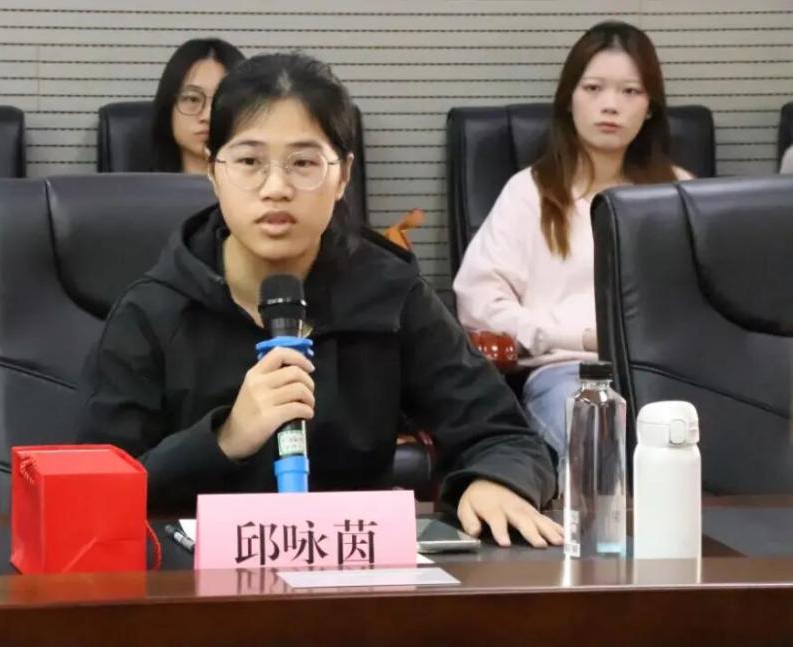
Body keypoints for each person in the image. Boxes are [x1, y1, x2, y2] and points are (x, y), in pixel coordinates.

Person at [78, 52, 562, 548]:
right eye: (249, 162)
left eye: (304, 163)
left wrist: (495, 481)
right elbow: (92, 494)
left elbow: (504, 435)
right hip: (187, 583)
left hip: (350, 576)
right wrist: (225, 438)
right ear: (213, 170)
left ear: (344, 175)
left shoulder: (388, 293)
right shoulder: (153, 310)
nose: (276, 188)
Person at [453, 21, 693, 482]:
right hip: (567, 373)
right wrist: (577, 337)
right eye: (594, 88)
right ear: (569, 99)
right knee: (597, 443)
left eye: (630, 91)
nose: (611, 105)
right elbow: (480, 304)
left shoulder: (679, 194)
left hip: (667, 374)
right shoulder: (529, 192)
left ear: (650, 107)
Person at [149, 38, 245, 174]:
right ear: (168, 107)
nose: (207, 116)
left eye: (222, 101)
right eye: (193, 99)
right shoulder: (141, 187)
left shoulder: (270, 185)